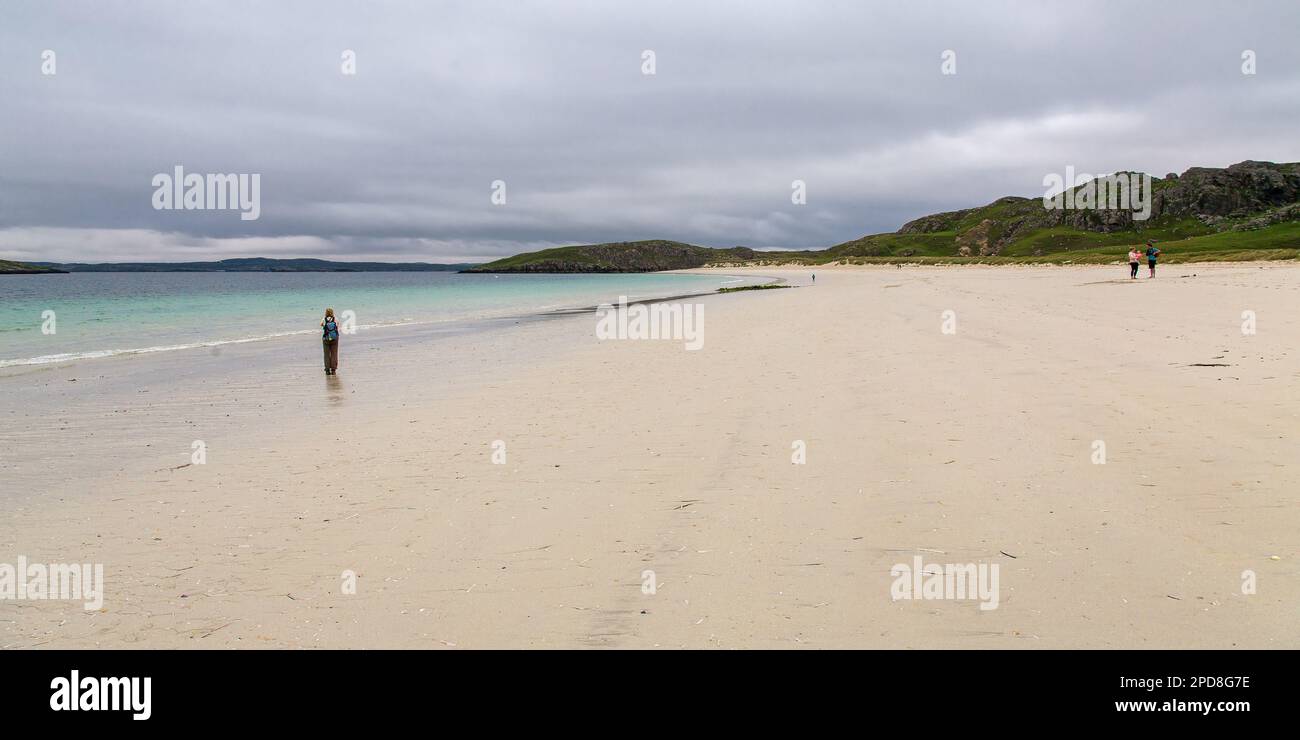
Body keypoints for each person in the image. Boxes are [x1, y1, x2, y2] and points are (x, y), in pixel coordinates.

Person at [321, 308, 340, 374]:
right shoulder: (335, 318)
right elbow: (337, 325)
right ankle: (333, 370)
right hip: (334, 338)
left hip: (326, 338)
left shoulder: (324, 319)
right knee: (334, 353)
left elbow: (321, 324)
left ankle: (327, 370)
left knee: (326, 354)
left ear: (326, 312)